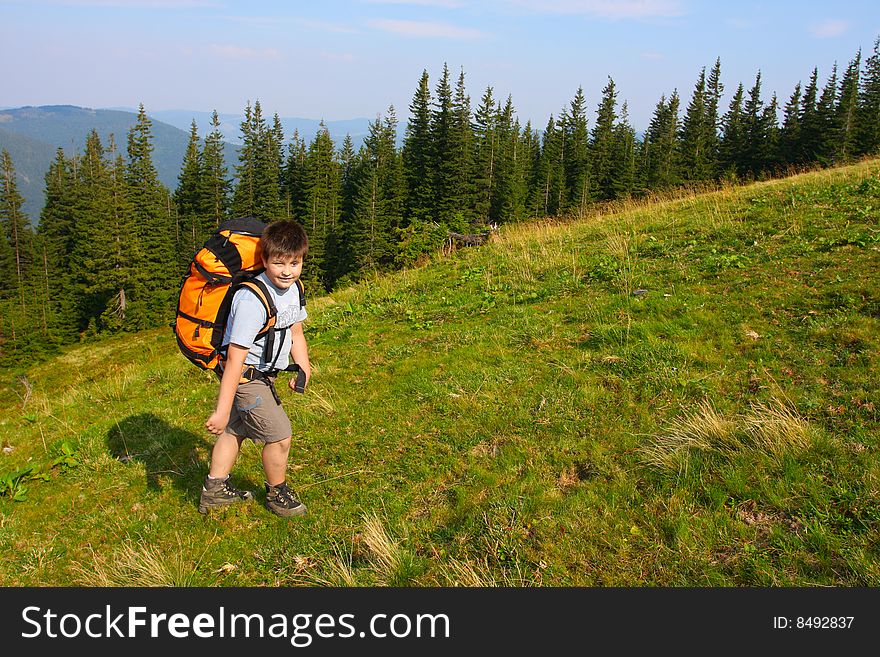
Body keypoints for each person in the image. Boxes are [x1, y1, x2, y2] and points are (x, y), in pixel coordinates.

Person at [200, 219, 312, 518]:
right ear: (264, 260)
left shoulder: (294, 288)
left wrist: (303, 367)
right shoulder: (251, 299)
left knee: (235, 431)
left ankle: (214, 490)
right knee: (280, 436)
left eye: (295, 263)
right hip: (247, 377)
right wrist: (222, 410)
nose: (287, 271)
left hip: (262, 373)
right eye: (278, 263)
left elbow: (295, 332)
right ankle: (278, 494)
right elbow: (235, 358)